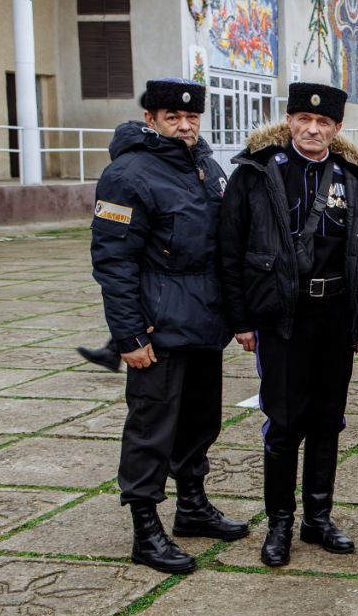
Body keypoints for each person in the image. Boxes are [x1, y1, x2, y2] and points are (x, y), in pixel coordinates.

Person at [219, 82, 358, 568]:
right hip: (281, 317)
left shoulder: (355, 178)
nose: (313, 129)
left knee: (328, 420)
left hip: (336, 315)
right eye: (304, 120)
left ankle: (318, 518)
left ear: (336, 128)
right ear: (289, 120)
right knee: (285, 422)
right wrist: (241, 318)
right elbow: (229, 249)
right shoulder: (256, 172)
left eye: (323, 123)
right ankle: (280, 524)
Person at [90, 78, 246, 574]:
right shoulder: (126, 174)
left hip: (205, 322)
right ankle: (145, 529)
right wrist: (129, 335)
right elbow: (113, 261)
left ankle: (192, 507)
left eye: (191, 117)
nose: (184, 126)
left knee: (201, 422)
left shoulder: (206, 166)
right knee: (151, 429)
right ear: (151, 119)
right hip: (157, 328)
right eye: (172, 118)